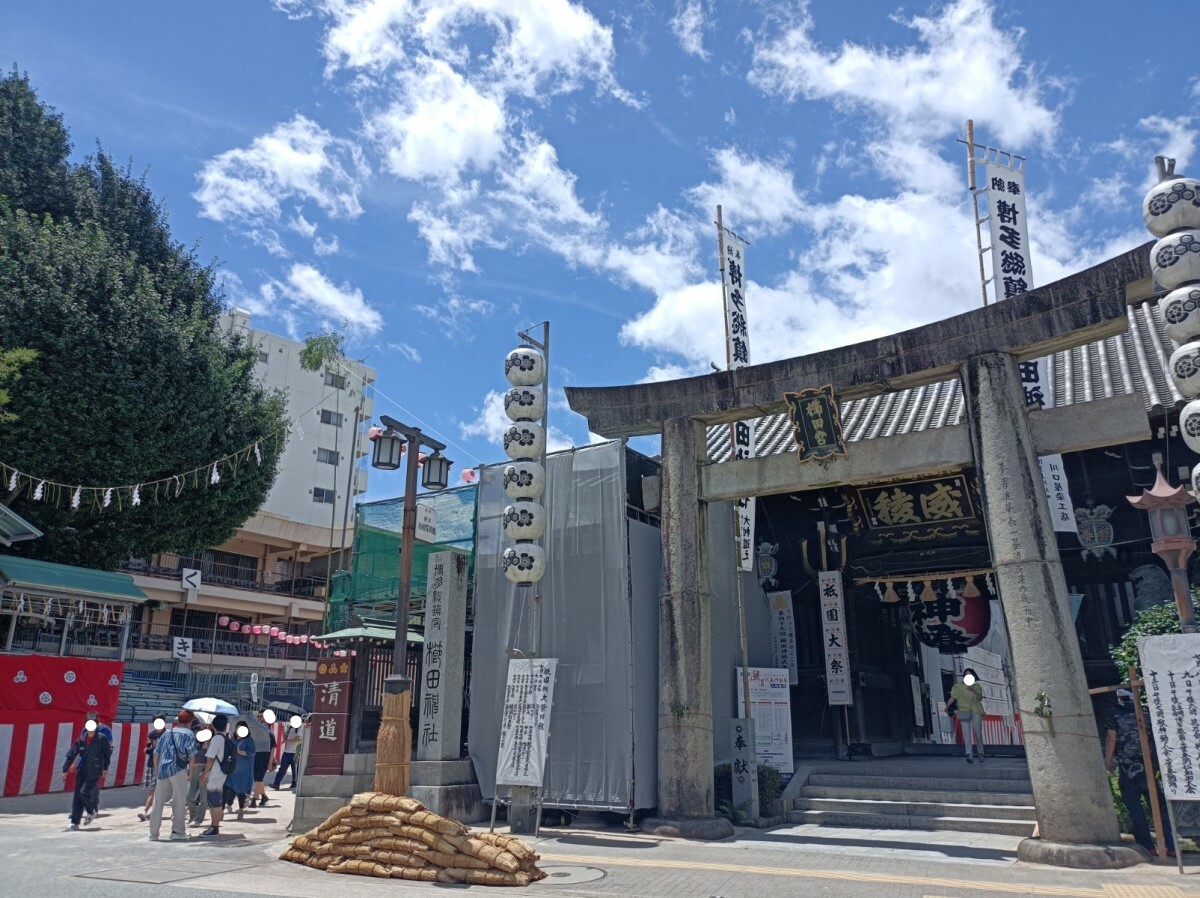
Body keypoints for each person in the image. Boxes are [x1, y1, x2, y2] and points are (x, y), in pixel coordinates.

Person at [1105, 688, 1175, 857]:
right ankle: (1171, 845)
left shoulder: (1115, 715)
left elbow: (1111, 738)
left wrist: (1108, 760)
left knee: (1134, 805)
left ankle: (1146, 844)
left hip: (1128, 765)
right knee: (1158, 806)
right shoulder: (1148, 714)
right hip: (1150, 764)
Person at [148, 709, 198, 842]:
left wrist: (157, 769)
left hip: (163, 770)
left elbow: (156, 753)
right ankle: (177, 831)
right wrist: (190, 773)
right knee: (179, 801)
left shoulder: (167, 733)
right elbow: (192, 756)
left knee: (158, 802)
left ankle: (153, 833)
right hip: (179, 770)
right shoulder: (189, 734)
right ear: (190, 721)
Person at [62, 713, 112, 830]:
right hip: (82, 769)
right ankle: (75, 822)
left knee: (84, 792)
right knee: (77, 796)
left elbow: (107, 754)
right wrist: (65, 768)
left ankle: (91, 810)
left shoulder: (102, 738)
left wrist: (105, 768)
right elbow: (72, 753)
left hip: (95, 770)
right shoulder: (82, 739)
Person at [199, 714, 231, 837]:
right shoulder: (224, 737)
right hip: (221, 772)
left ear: (213, 725)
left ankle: (215, 827)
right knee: (214, 800)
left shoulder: (217, 739)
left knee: (214, 801)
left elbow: (210, 759)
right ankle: (213, 825)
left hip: (215, 773)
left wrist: (204, 774)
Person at [950, 668, 986, 763]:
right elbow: (954, 697)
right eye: (966, 675)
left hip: (976, 711)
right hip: (964, 711)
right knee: (967, 733)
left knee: (977, 733)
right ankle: (969, 754)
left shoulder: (977, 686)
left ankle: (981, 753)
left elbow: (980, 698)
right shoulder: (960, 687)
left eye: (970, 674)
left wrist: (973, 690)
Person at [224, 719, 255, 819]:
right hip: (231, 768)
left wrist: (240, 751)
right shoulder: (232, 739)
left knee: (240, 790)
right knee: (228, 788)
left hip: (242, 769)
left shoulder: (248, 740)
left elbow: (251, 753)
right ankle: (227, 805)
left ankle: (241, 809)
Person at [137, 716, 166, 822]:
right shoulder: (151, 735)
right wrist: (151, 749)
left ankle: (147, 810)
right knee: (152, 789)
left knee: (162, 790)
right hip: (152, 764)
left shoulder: (167, 735)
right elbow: (146, 749)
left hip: (164, 764)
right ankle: (147, 810)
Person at [249, 711, 276, 807]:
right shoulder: (257, 731)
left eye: (262, 717)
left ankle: (254, 800)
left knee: (259, 778)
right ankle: (264, 796)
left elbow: (273, 748)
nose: (260, 719)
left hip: (265, 757)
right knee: (257, 779)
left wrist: (270, 761)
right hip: (256, 756)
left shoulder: (270, 733)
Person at [272, 723, 301, 790]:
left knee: (295, 770)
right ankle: (276, 784)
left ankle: (294, 783)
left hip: (295, 752)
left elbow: (297, 739)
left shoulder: (299, 728)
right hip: (286, 752)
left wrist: (286, 740)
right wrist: (282, 730)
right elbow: (285, 738)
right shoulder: (290, 728)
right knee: (282, 769)